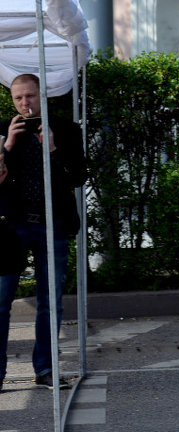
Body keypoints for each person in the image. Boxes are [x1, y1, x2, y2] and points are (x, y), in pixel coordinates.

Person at [0, 74, 86, 390]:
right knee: (1, 300)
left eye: (31, 97)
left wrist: (52, 149)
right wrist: (7, 146)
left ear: (42, 95)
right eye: (19, 98)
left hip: (53, 224)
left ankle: (45, 370)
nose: (25, 104)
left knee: (51, 301)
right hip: (11, 227)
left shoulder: (65, 130)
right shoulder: (2, 131)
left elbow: (77, 177)